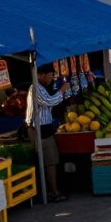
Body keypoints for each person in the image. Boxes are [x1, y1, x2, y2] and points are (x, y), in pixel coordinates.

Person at [26, 63, 69, 203]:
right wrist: (62, 90)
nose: (51, 80)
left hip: (45, 129)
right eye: (49, 77)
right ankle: (50, 192)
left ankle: (51, 191)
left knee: (51, 162)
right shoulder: (35, 88)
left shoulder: (42, 87)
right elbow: (49, 101)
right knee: (46, 162)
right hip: (38, 130)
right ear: (40, 75)